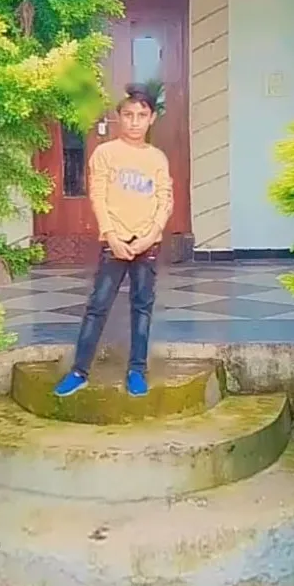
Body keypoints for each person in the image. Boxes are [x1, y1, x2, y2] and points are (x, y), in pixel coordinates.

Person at [54, 82, 174, 398]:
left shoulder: (157, 158)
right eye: (128, 115)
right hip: (114, 242)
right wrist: (111, 235)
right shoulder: (105, 153)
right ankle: (79, 371)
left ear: (152, 119)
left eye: (141, 115)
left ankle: (137, 369)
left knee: (142, 307)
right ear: (119, 117)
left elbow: (165, 199)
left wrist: (150, 235)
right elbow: (98, 197)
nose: (135, 121)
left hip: (147, 244)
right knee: (98, 305)